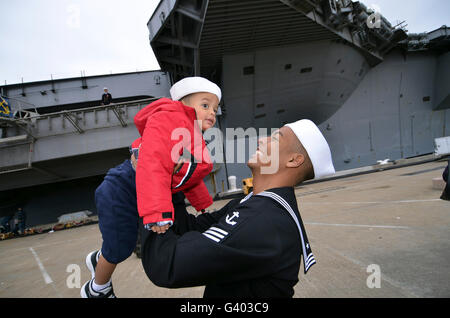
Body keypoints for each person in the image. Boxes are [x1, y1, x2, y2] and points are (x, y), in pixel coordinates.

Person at [140, 119, 335, 297]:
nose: (261, 141)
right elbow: (190, 228)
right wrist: (168, 184)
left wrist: (150, 176)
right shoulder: (254, 202)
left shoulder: (262, 220)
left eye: (275, 138)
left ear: (293, 160)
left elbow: (167, 264)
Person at [81, 77, 221, 298]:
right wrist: (157, 214)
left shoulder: (193, 134)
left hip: (142, 188)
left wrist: (202, 204)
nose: (212, 112)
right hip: (123, 188)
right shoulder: (170, 119)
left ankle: (98, 258)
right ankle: (97, 289)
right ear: (182, 104)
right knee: (120, 248)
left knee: (118, 245)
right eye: (205, 105)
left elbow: (186, 174)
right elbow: (153, 163)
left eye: (215, 108)